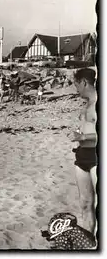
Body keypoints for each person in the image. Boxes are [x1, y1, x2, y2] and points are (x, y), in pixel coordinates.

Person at [69, 68, 97, 236]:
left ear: (84, 83)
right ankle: (89, 241)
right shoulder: (87, 104)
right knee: (85, 203)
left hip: (97, 157)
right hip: (82, 156)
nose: (76, 89)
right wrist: (78, 136)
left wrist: (82, 136)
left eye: (76, 85)